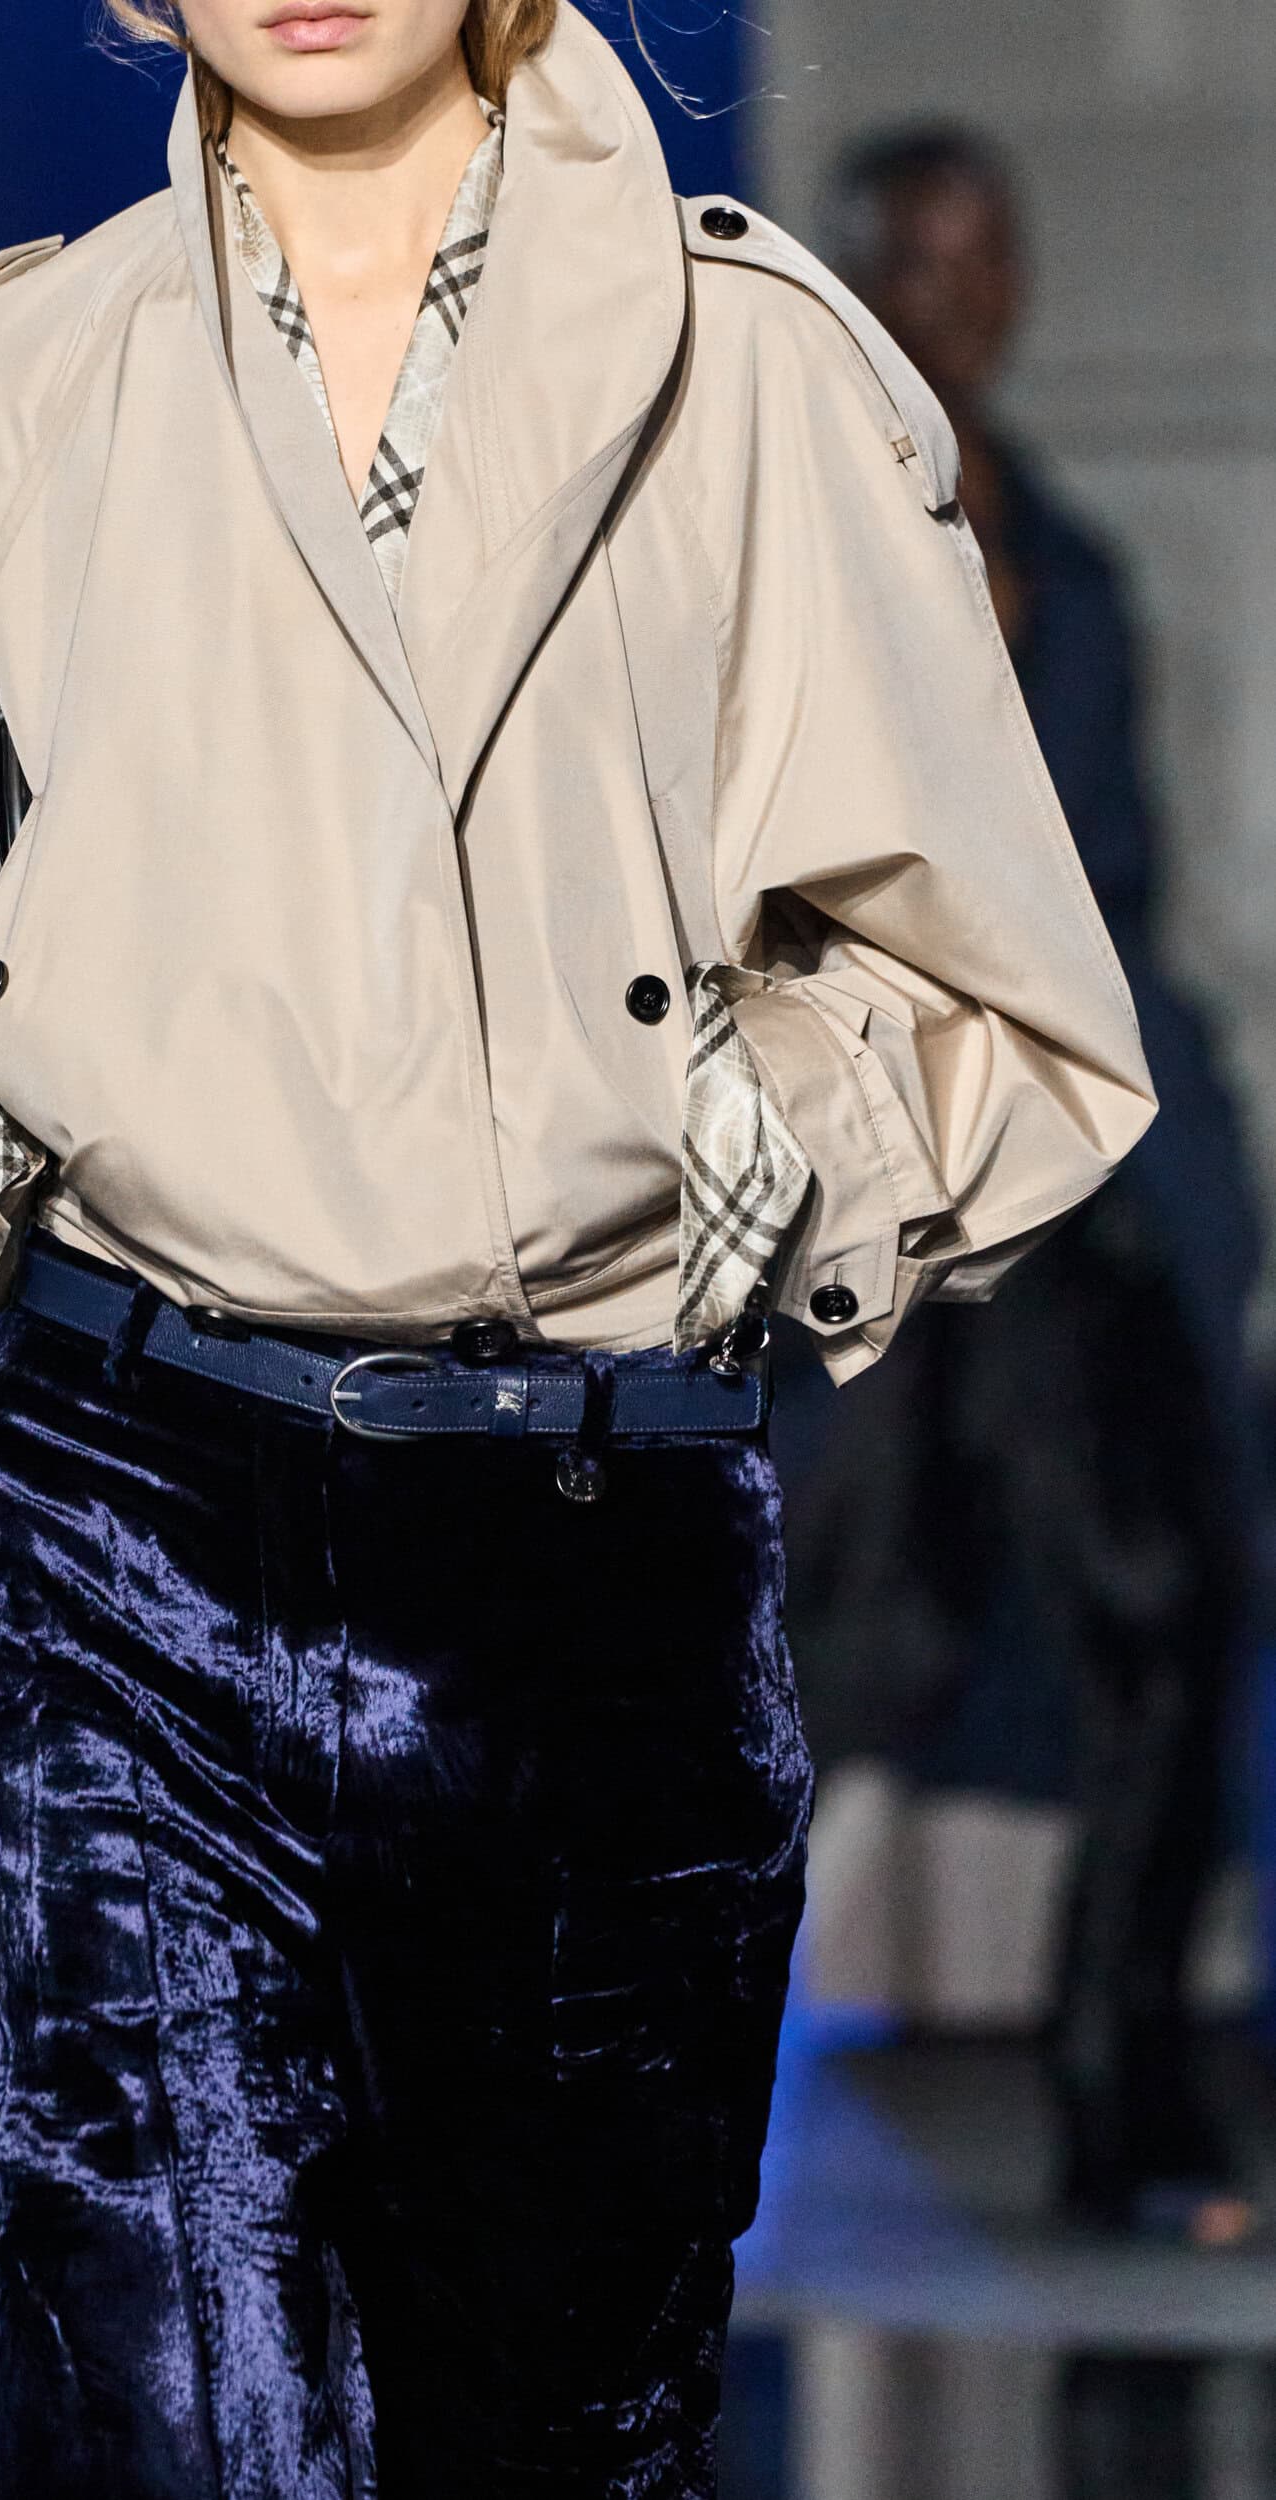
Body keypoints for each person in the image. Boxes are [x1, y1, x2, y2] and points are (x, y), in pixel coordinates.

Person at [0, 3, 1154, 2488]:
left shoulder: (751, 380)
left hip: (587, 1552)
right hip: (116, 1534)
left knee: (552, 2440)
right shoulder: (15, 385)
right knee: (165, 2423)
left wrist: (781, 1119)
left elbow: (1005, 998)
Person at [780, 124, 1262, 2242]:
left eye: (987, 258)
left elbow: (1116, 880)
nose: (957, 297)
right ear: (853, 280)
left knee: (1166, 1618)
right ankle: (546, 2110)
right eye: (917, 258)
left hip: (1085, 1186)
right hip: (881, 1193)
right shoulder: (786, 543)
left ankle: (1118, 2092)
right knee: (788, 1654)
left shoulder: (1063, 550)